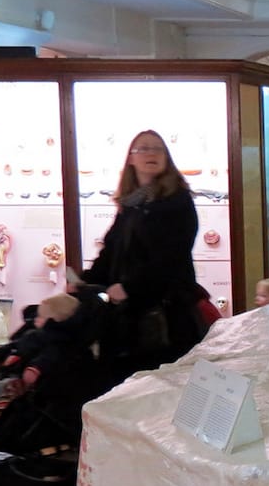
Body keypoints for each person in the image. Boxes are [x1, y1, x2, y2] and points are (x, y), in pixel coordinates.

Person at [79, 129, 205, 370]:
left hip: (163, 313)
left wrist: (129, 288)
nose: (151, 153)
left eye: (158, 148)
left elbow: (170, 257)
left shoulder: (176, 202)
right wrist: (84, 282)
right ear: (131, 158)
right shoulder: (132, 204)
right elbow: (112, 250)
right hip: (129, 313)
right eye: (143, 148)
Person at [0, 293, 86, 426]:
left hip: (24, 380)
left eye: (41, 317)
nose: (36, 319)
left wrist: (35, 368)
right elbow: (12, 346)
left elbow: (49, 357)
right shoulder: (33, 334)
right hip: (9, 371)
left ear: (55, 320)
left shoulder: (58, 342)